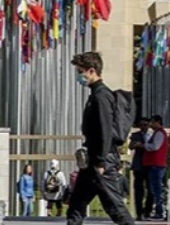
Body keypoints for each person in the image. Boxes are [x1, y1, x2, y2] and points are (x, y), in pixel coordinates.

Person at [65, 51, 136, 225]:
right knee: (76, 205)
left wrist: (101, 161)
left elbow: (105, 130)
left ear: (91, 71)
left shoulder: (102, 96)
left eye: (80, 72)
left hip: (102, 160)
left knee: (114, 207)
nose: (79, 76)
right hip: (93, 160)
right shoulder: (95, 94)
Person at [143, 115, 169, 219]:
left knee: (156, 190)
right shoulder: (157, 133)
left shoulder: (159, 133)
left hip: (156, 165)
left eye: (152, 122)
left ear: (158, 122)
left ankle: (160, 212)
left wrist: (143, 145)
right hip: (155, 165)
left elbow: (155, 146)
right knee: (155, 189)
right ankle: (159, 211)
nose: (150, 125)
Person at [129, 120, 152, 218]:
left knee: (151, 190)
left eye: (145, 125)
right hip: (138, 166)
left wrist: (143, 146)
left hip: (149, 165)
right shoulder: (135, 135)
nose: (143, 127)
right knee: (138, 190)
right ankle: (139, 212)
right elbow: (130, 147)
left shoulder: (152, 135)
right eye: (141, 125)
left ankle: (147, 211)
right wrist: (135, 145)